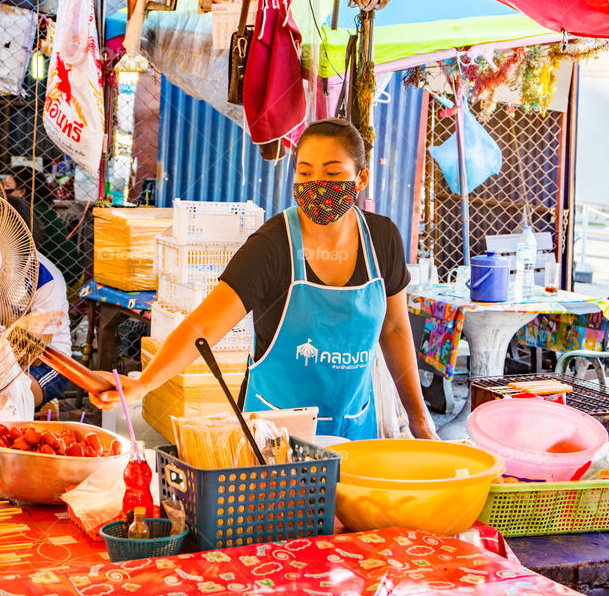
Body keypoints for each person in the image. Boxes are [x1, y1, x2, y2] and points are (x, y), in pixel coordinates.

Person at [92, 118, 437, 440]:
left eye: (332, 175)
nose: (316, 184)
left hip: (356, 428)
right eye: (305, 173)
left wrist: (420, 423)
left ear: (360, 180)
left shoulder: (382, 239)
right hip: (276, 435)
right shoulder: (273, 246)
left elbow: (394, 329)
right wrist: (143, 384)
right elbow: (202, 327)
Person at [6, 195, 76, 410]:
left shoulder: (46, 279)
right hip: (0, 354)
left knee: (10, 402)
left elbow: (33, 357)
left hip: (47, 363)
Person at [4, 166, 84, 296]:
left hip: (65, 282)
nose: (4, 190)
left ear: (22, 191)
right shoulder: (41, 208)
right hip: (74, 276)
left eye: (7, 186)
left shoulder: (30, 215)